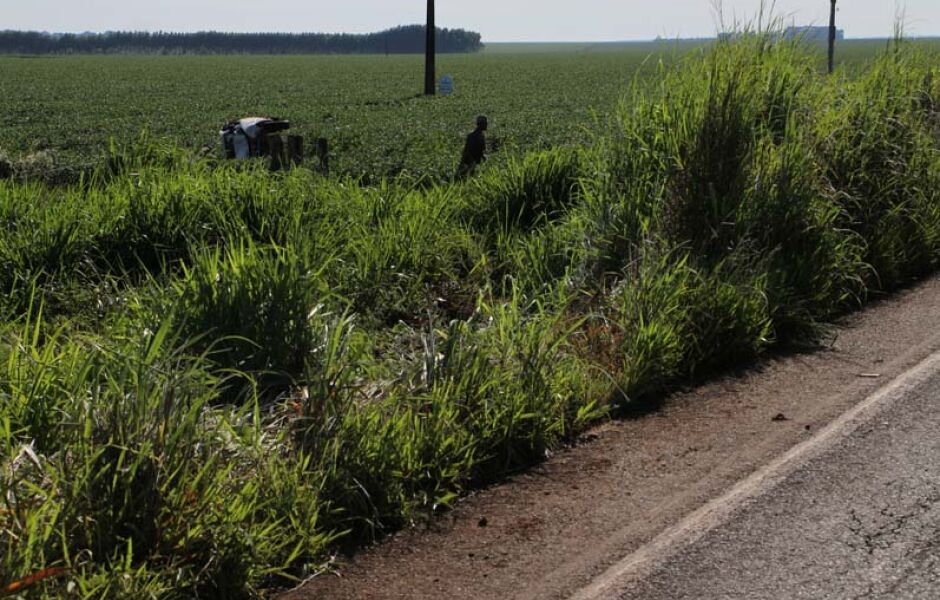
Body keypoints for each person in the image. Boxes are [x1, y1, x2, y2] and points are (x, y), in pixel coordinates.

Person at [456, 115, 488, 180]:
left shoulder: (472, 135)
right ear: (481, 124)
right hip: (471, 163)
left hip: (469, 162)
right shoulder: (478, 136)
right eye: (485, 123)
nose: (487, 125)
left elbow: (466, 150)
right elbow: (472, 151)